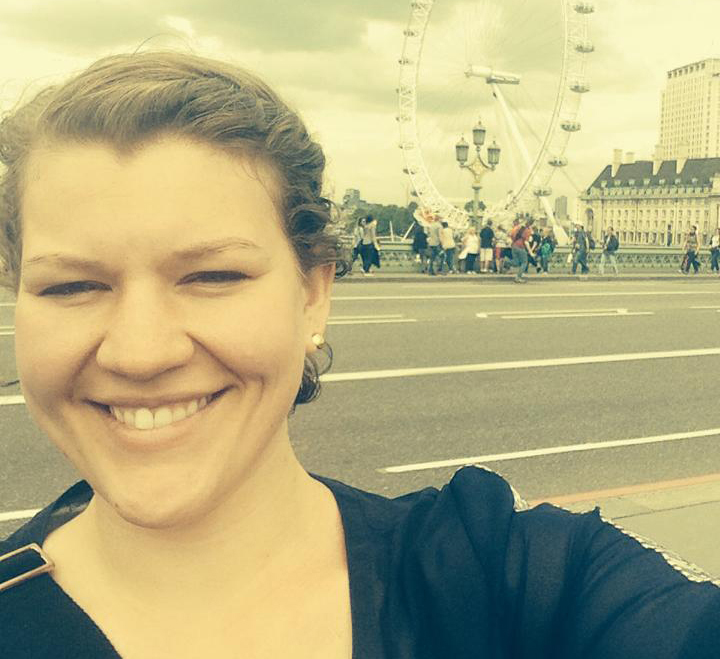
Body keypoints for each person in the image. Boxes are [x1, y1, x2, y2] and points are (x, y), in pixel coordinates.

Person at [1, 51, 719, 659]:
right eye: (71, 286)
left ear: (313, 293)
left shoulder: (520, 579)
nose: (140, 351)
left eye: (213, 275)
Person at [509, 218, 532, 283]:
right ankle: (518, 277)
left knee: (516, 262)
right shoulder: (527, 230)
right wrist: (531, 252)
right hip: (520, 247)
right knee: (524, 262)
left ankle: (506, 261)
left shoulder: (517, 228)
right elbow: (526, 242)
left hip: (514, 246)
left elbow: (511, 235)